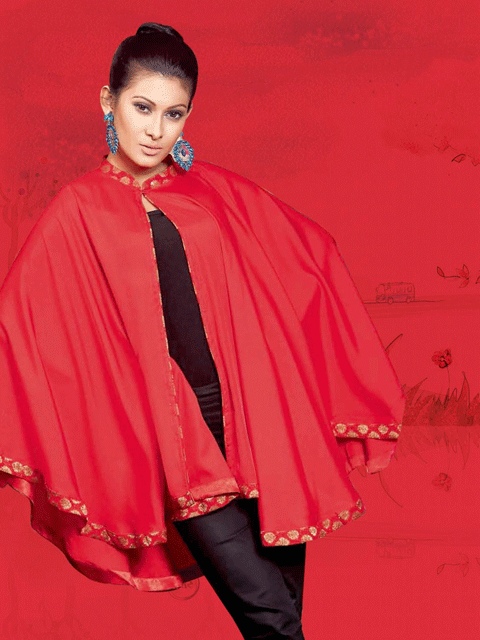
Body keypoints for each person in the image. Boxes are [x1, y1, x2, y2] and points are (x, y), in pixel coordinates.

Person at [0, 23, 406, 640]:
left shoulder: (212, 191)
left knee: (283, 613)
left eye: (174, 114)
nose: (156, 129)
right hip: (176, 436)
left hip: (258, 422)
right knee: (271, 618)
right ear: (108, 101)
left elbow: (306, 257)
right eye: (142, 108)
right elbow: (21, 325)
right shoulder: (77, 210)